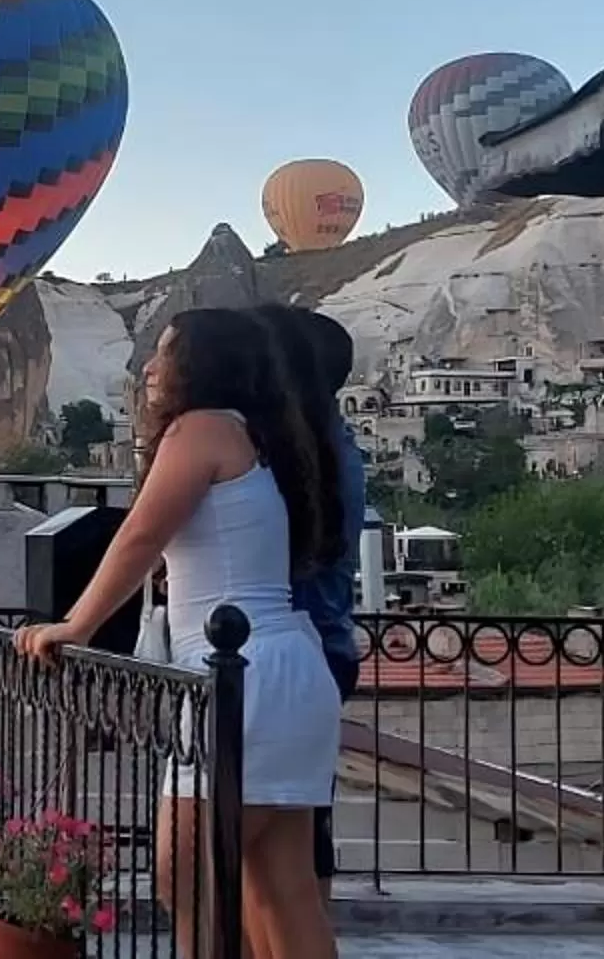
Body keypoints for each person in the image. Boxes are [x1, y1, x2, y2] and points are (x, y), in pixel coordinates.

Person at [15, 307, 343, 959]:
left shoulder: (200, 429)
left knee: (184, 876)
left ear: (204, 365)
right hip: (287, 669)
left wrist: (76, 623)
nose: (152, 368)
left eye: (168, 354)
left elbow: (139, 534)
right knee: (283, 888)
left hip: (239, 677)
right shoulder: (257, 435)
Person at [261, 302, 369, 905]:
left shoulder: (301, 457)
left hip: (293, 649)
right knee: (301, 823)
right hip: (324, 644)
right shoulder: (330, 446)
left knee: (284, 830)